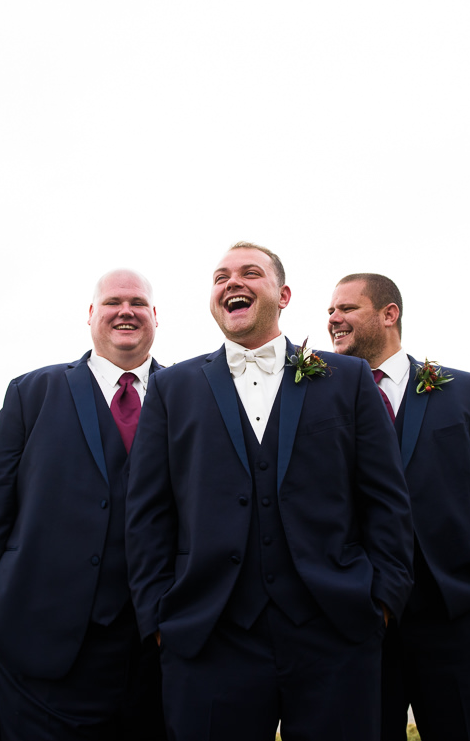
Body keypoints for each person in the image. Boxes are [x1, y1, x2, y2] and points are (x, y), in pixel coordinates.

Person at [126, 242, 413, 741]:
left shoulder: (347, 379)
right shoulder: (173, 388)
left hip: (335, 631)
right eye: (221, 277)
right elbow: (148, 512)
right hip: (208, 638)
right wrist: (158, 617)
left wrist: (381, 600)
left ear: (282, 295)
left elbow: (385, 497)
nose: (232, 283)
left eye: (249, 273)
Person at [327, 273, 470, 741]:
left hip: (462, 624)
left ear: (389, 314)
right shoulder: (321, 402)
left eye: (346, 309)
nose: (333, 319)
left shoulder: (468, 393)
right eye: (329, 312)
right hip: (362, 627)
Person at [0, 270, 166, 741]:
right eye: (112, 301)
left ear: (155, 316)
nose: (126, 311)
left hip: (153, 641)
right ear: (91, 314)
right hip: (42, 635)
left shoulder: (186, 392)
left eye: (137, 302)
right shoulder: (31, 392)